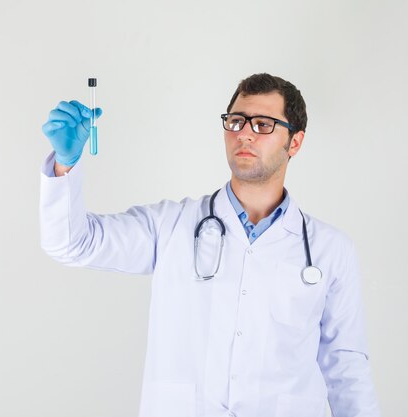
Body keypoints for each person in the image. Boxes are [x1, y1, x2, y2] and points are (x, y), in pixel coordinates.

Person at [39, 73, 381, 417]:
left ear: (294, 143)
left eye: (263, 124)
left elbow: (346, 367)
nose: (244, 133)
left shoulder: (330, 250)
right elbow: (72, 243)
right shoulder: (170, 226)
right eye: (236, 121)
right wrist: (64, 164)